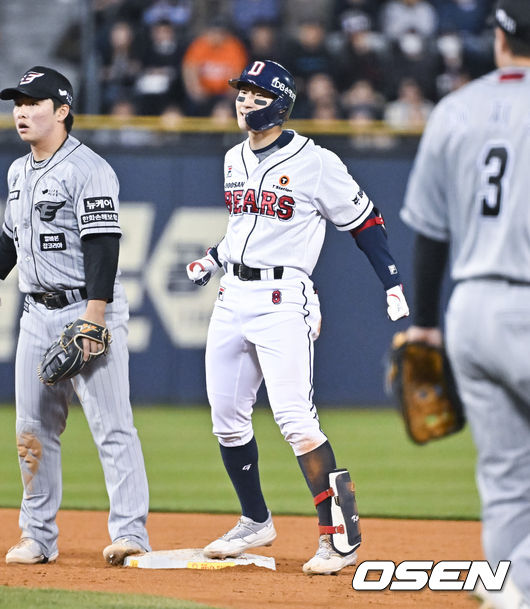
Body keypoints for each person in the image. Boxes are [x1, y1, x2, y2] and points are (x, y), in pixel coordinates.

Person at [186, 59, 409, 575]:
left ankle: (342, 536)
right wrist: (214, 258)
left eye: (256, 94)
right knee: (226, 418)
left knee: (297, 422)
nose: (245, 101)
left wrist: (392, 279)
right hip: (232, 293)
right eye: (241, 92)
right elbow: (246, 230)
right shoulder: (233, 158)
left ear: (281, 103)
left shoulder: (317, 162)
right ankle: (255, 520)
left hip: (284, 297)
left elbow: (365, 221)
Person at [400, 1, 530, 606]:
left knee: (505, 478)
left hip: (469, 309)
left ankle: (509, 594)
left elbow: (430, 232)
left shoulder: (456, 109)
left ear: (502, 38)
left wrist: (423, 325)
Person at [0, 66, 150, 566]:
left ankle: (131, 533)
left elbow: (104, 245)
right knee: (32, 430)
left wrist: (94, 318)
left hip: (85, 307)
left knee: (112, 426)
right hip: (35, 313)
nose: (21, 110)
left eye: (34, 101)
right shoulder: (18, 171)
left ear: (62, 110)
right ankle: (37, 537)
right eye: (17, 101)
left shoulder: (89, 168)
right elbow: (8, 246)